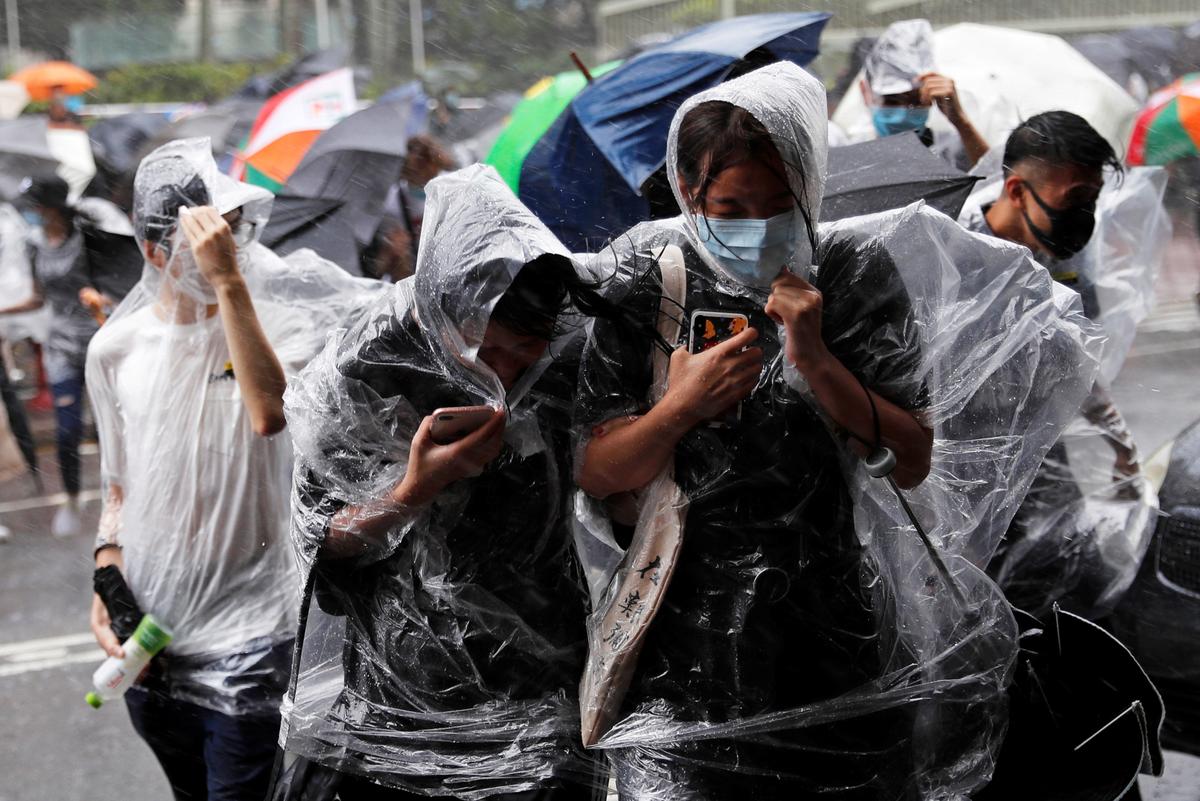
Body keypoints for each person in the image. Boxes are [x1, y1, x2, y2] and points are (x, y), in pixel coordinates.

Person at [275, 164, 649, 800]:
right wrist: (414, 489)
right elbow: (323, 545)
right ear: (444, 308)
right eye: (488, 351)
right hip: (405, 701)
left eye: (521, 351)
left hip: (544, 688)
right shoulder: (373, 369)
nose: (504, 372)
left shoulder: (563, 362)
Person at [86, 138, 378, 801]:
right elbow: (117, 486)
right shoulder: (115, 350)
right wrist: (105, 579)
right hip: (153, 639)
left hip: (255, 632)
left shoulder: (275, 322)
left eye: (235, 231)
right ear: (154, 252)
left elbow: (270, 412)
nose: (232, 247)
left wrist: (228, 282)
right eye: (210, 236)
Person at [959, 111, 1153, 619]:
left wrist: (1119, 445)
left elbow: (1078, 358)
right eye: (1074, 201)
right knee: (968, 600)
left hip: (1042, 453)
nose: (1083, 216)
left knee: (1046, 592)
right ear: (1018, 190)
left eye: (1091, 200)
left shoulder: (1062, 260)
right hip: (959, 462)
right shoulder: (951, 253)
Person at [0, 176, 99, 536]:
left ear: (53, 206)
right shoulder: (35, 246)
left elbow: (110, 285)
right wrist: (4, 310)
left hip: (98, 342)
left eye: (38, 206)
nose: (34, 213)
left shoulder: (87, 238)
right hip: (60, 346)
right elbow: (37, 299)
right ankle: (72, 497)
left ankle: (123, 494)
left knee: (108, 424)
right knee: (68, 428)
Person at [854, 19, 989, 169]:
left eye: (916, 100)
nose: (903, 112)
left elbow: (993, 179)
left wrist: (961, 122)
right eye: (891, 100)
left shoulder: (951, 150)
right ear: (865, 92)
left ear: (933, 98)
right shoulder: (851, 156)